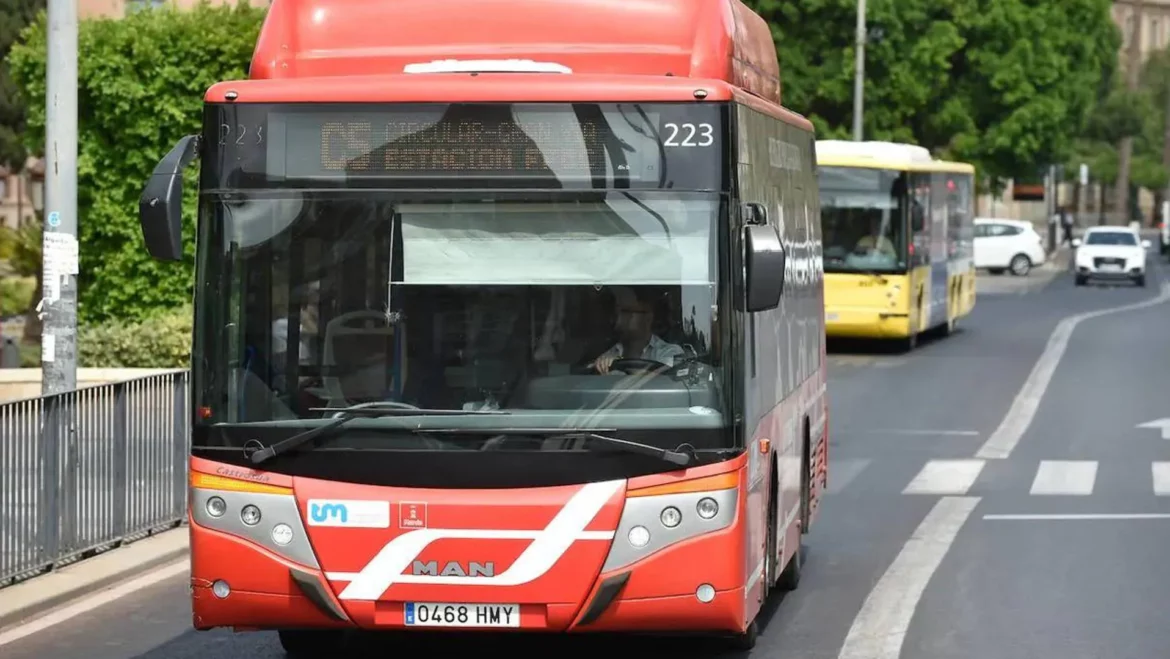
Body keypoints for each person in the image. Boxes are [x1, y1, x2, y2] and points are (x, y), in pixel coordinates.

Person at [589, 287, 684, 374]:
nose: (619, 317)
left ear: (647, 316)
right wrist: (602, 366)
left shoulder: (670, 353)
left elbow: (662, 382)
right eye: (617, 311)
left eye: (625, 311)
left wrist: (617, 366)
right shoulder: (610, 354)